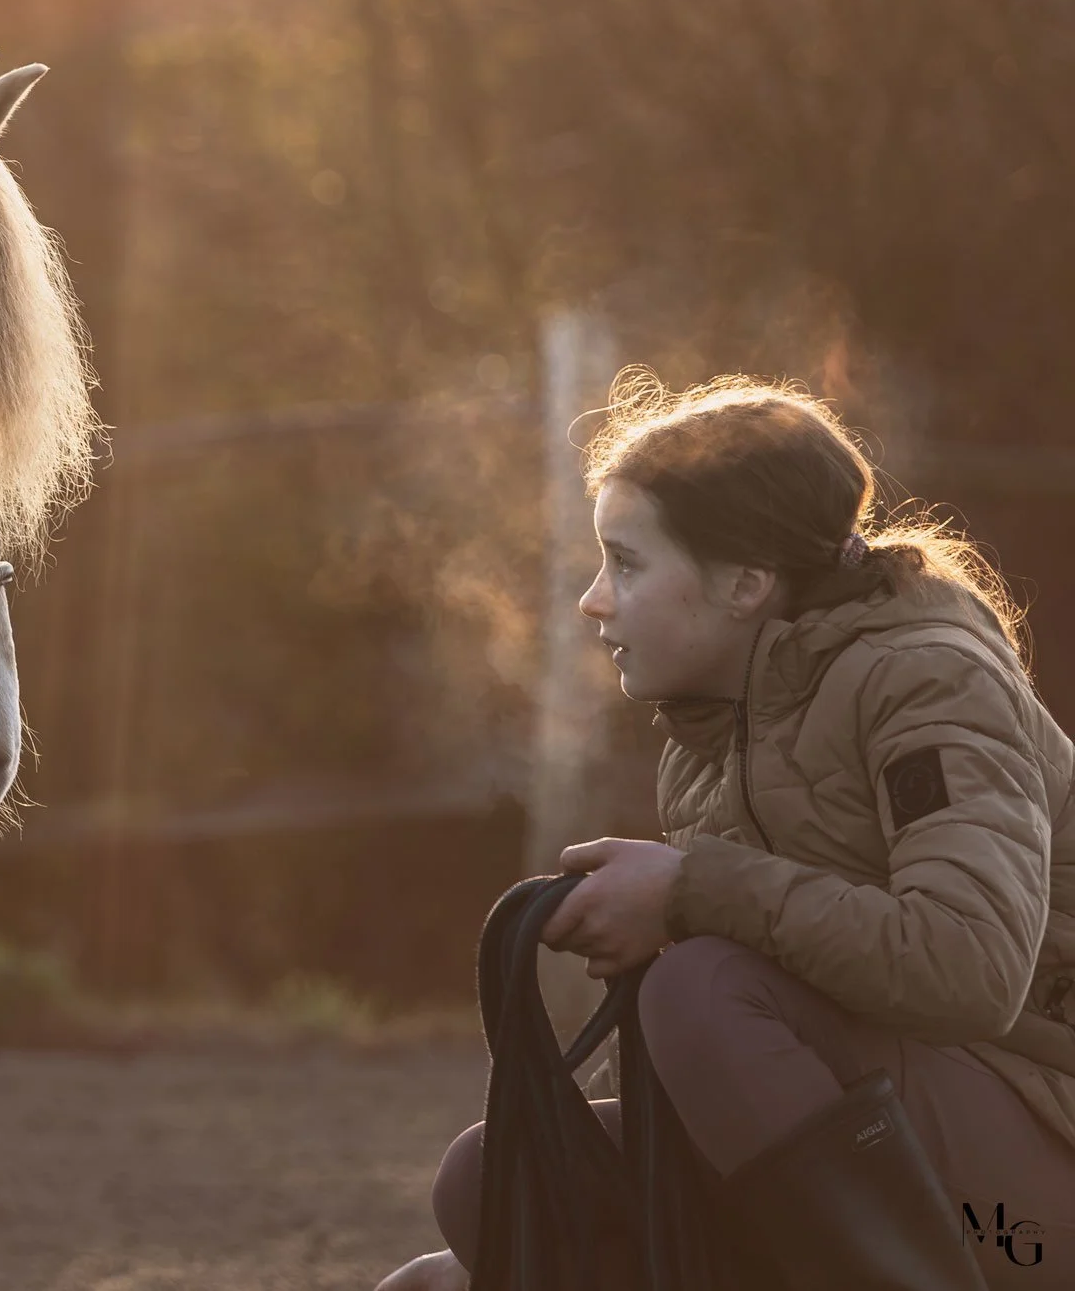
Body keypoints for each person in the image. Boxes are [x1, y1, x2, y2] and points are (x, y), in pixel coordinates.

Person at [379, 373, 1075, 1291]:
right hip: (902, 1145)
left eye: (626, 564)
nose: (594, 599)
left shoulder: (931, 682)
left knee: (701, 991)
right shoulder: (707, 735)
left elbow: (967, 967)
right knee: (492, 1177)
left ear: (746, 581)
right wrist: (668, 916)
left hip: (1039, 1170)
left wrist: (690, 892)